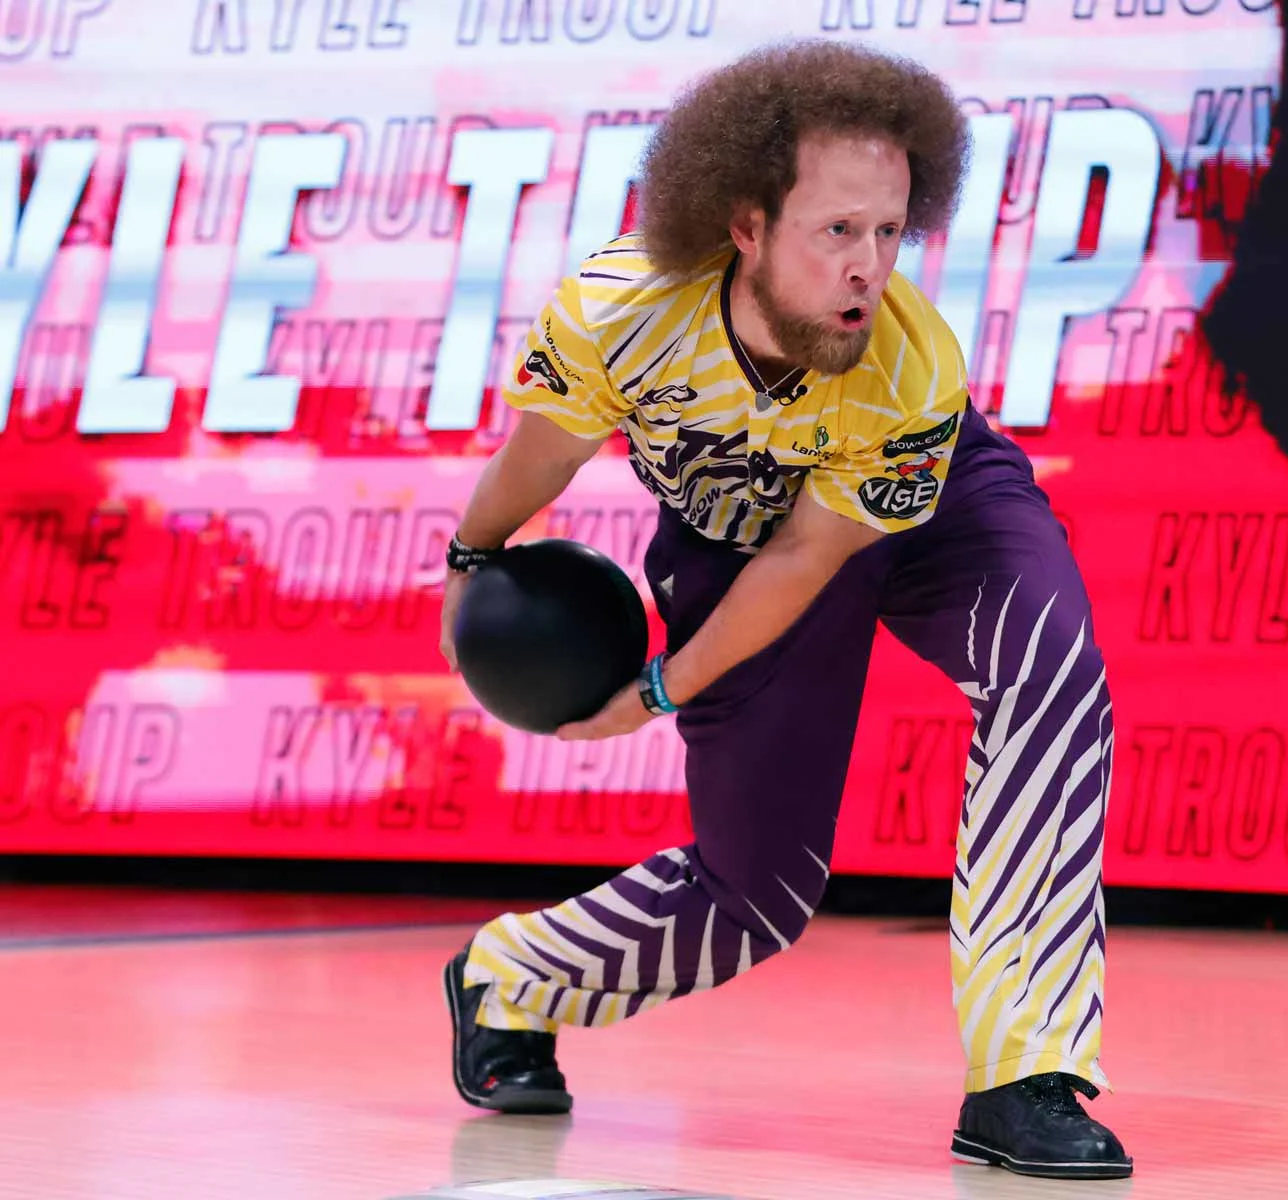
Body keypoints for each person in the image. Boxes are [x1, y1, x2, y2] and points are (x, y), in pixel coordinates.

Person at [431, 39, 1131, 1182]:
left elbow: (817, 551)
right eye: (837, 229)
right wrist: (473, 555)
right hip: (736, 544)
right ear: (747, 223)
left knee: (1053, 676)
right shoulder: (624, 309)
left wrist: (662, 688)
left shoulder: (908, 368)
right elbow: (547, 450)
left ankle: (1026, 1075)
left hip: (920, 505)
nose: (869, 266)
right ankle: (512, 978)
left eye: (890, 232)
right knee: (754, 898)